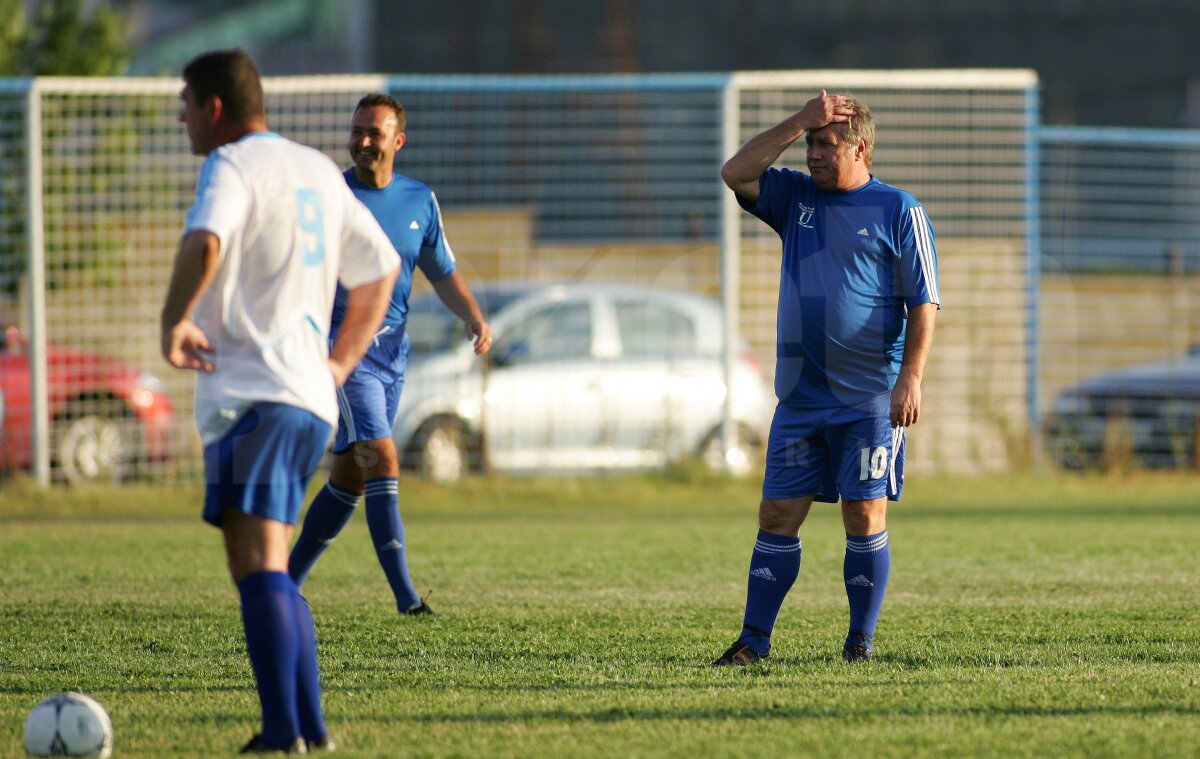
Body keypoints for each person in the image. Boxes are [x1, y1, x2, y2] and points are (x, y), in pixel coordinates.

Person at [160, 49, 399, 753]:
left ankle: (281, 731)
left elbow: (206, 240)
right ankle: (309, 729)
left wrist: (174, 319)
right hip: (306, 397)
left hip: (256, 397)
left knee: (260, 562)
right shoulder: (316, 169)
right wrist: (338, 363)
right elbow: (379, 270)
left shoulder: (232, 166)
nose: (180, 117)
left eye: (184, 103)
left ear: (213, 107)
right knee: (269, 561)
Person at [711, 90, 940, 666]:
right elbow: (735, 171)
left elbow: (924, 301)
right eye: (811, 143)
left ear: (860, 148)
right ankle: (753, 641)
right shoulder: (794, 197)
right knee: (776, 515)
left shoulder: (899, 210)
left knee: (863, 516)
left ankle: (859, 642)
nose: (813, 153)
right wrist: (799, 121)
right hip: (801, 400)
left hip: (867, 399)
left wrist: (910, 378)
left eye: (825, 143)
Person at [287, 93, 492, 616]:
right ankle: (407, 600)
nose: (361, 141)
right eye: (356, 131)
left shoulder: (419, 200)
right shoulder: (329, 196)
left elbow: (440, 270)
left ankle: (284, 584)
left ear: (397, 141)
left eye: (373, 133)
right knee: (382, 454)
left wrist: (470, 314)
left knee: (351, 475)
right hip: (342, 345)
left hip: (392, 351)